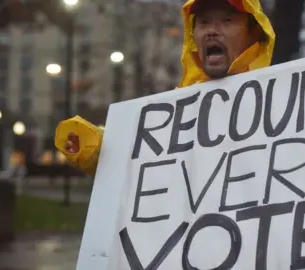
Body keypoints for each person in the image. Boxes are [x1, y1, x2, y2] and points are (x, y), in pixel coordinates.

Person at [54, 0, 276, 176]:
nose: (212, 31)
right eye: (204, 23)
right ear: (192, 35)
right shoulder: (175, 112)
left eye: (226, 21)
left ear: (254, 32)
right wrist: (96, 148)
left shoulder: (282, 104)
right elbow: (143, 168)